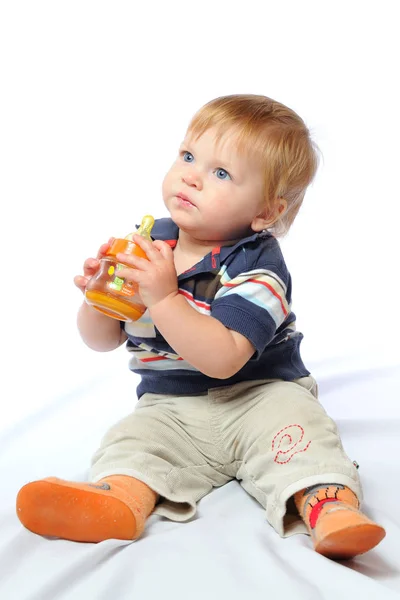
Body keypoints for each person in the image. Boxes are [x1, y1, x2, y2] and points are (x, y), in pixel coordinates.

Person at [16, 94, 385, 560]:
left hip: (260, 396)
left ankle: (329, 507)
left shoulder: (257, 265)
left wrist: (165, 297)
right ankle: (120, 499)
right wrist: (99, 301)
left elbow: (223, 359)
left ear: (265, 213)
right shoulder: (150, 244)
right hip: (170, 406)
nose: (191, 175)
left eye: (221, 173)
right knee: (134, 442)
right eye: (188, 156)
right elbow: (99, 341)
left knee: (302, 435)